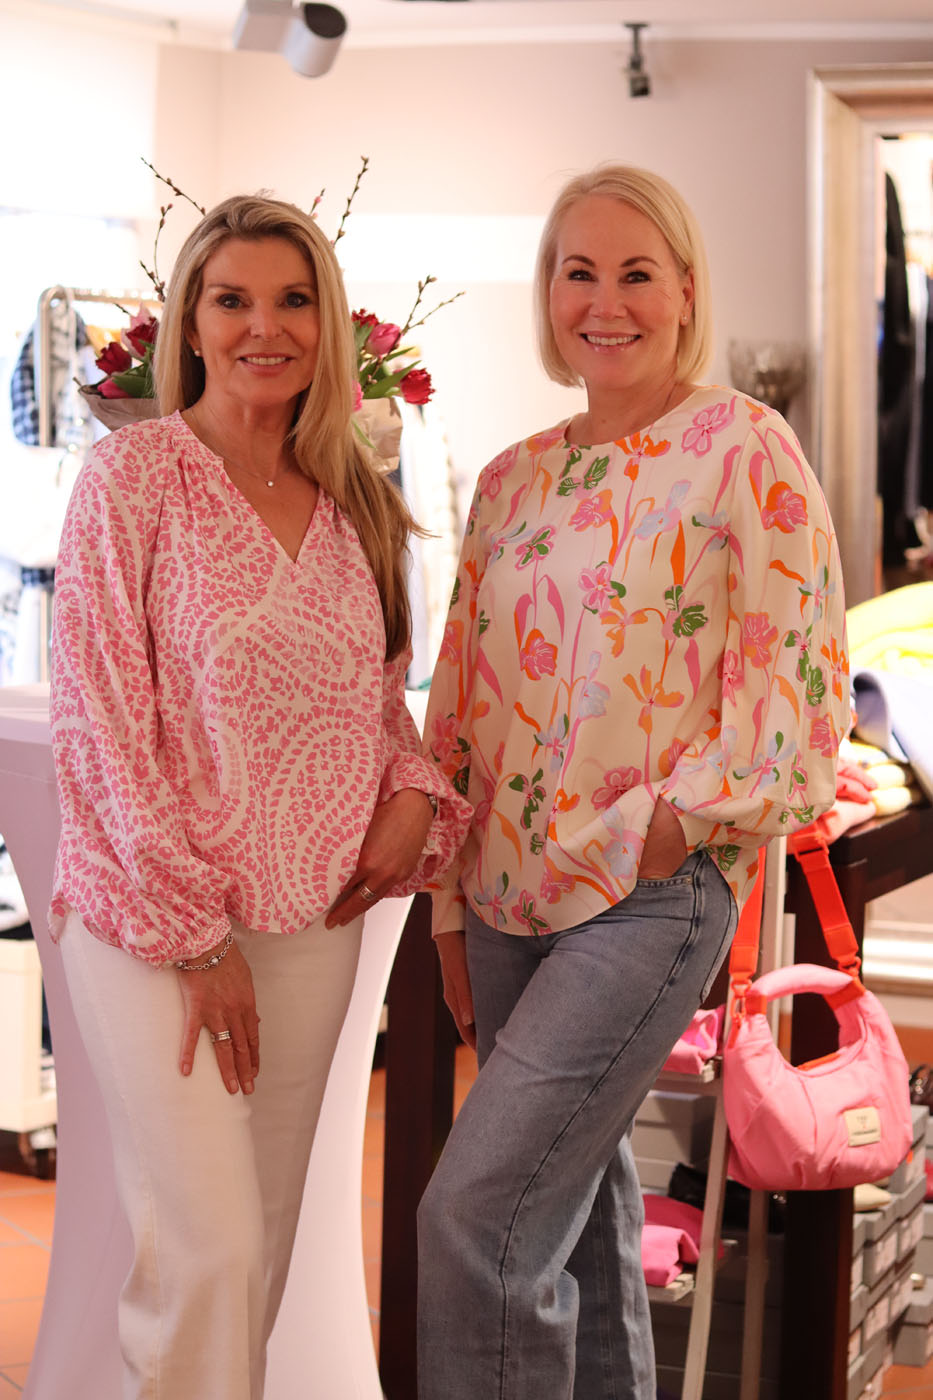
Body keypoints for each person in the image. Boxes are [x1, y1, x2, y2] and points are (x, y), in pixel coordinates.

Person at [417, 164, 849, 1399]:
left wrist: (677, 821)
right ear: (548, 292)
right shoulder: (511, 478)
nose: (604, 302)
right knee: (570, 1207)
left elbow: (796, 670)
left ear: (687, 291)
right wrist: (448, 902)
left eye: (636, 273)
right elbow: (463, 695)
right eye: (579, 272)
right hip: (502, 897)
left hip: (645, 891)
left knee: (477, 1216)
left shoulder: (743, 448)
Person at [48, 193, 471, 1400]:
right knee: (211, 1250)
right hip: (153, 924)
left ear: (327, 324)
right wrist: (195, 936)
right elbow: (101, 724)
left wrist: (411, 791)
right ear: (189, 320)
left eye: (292, 300)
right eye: (232, 299)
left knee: (262, 1254)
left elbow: (379, 702)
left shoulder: (359, 501)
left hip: (312, 926)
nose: (263, 326)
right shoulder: (132, 478)